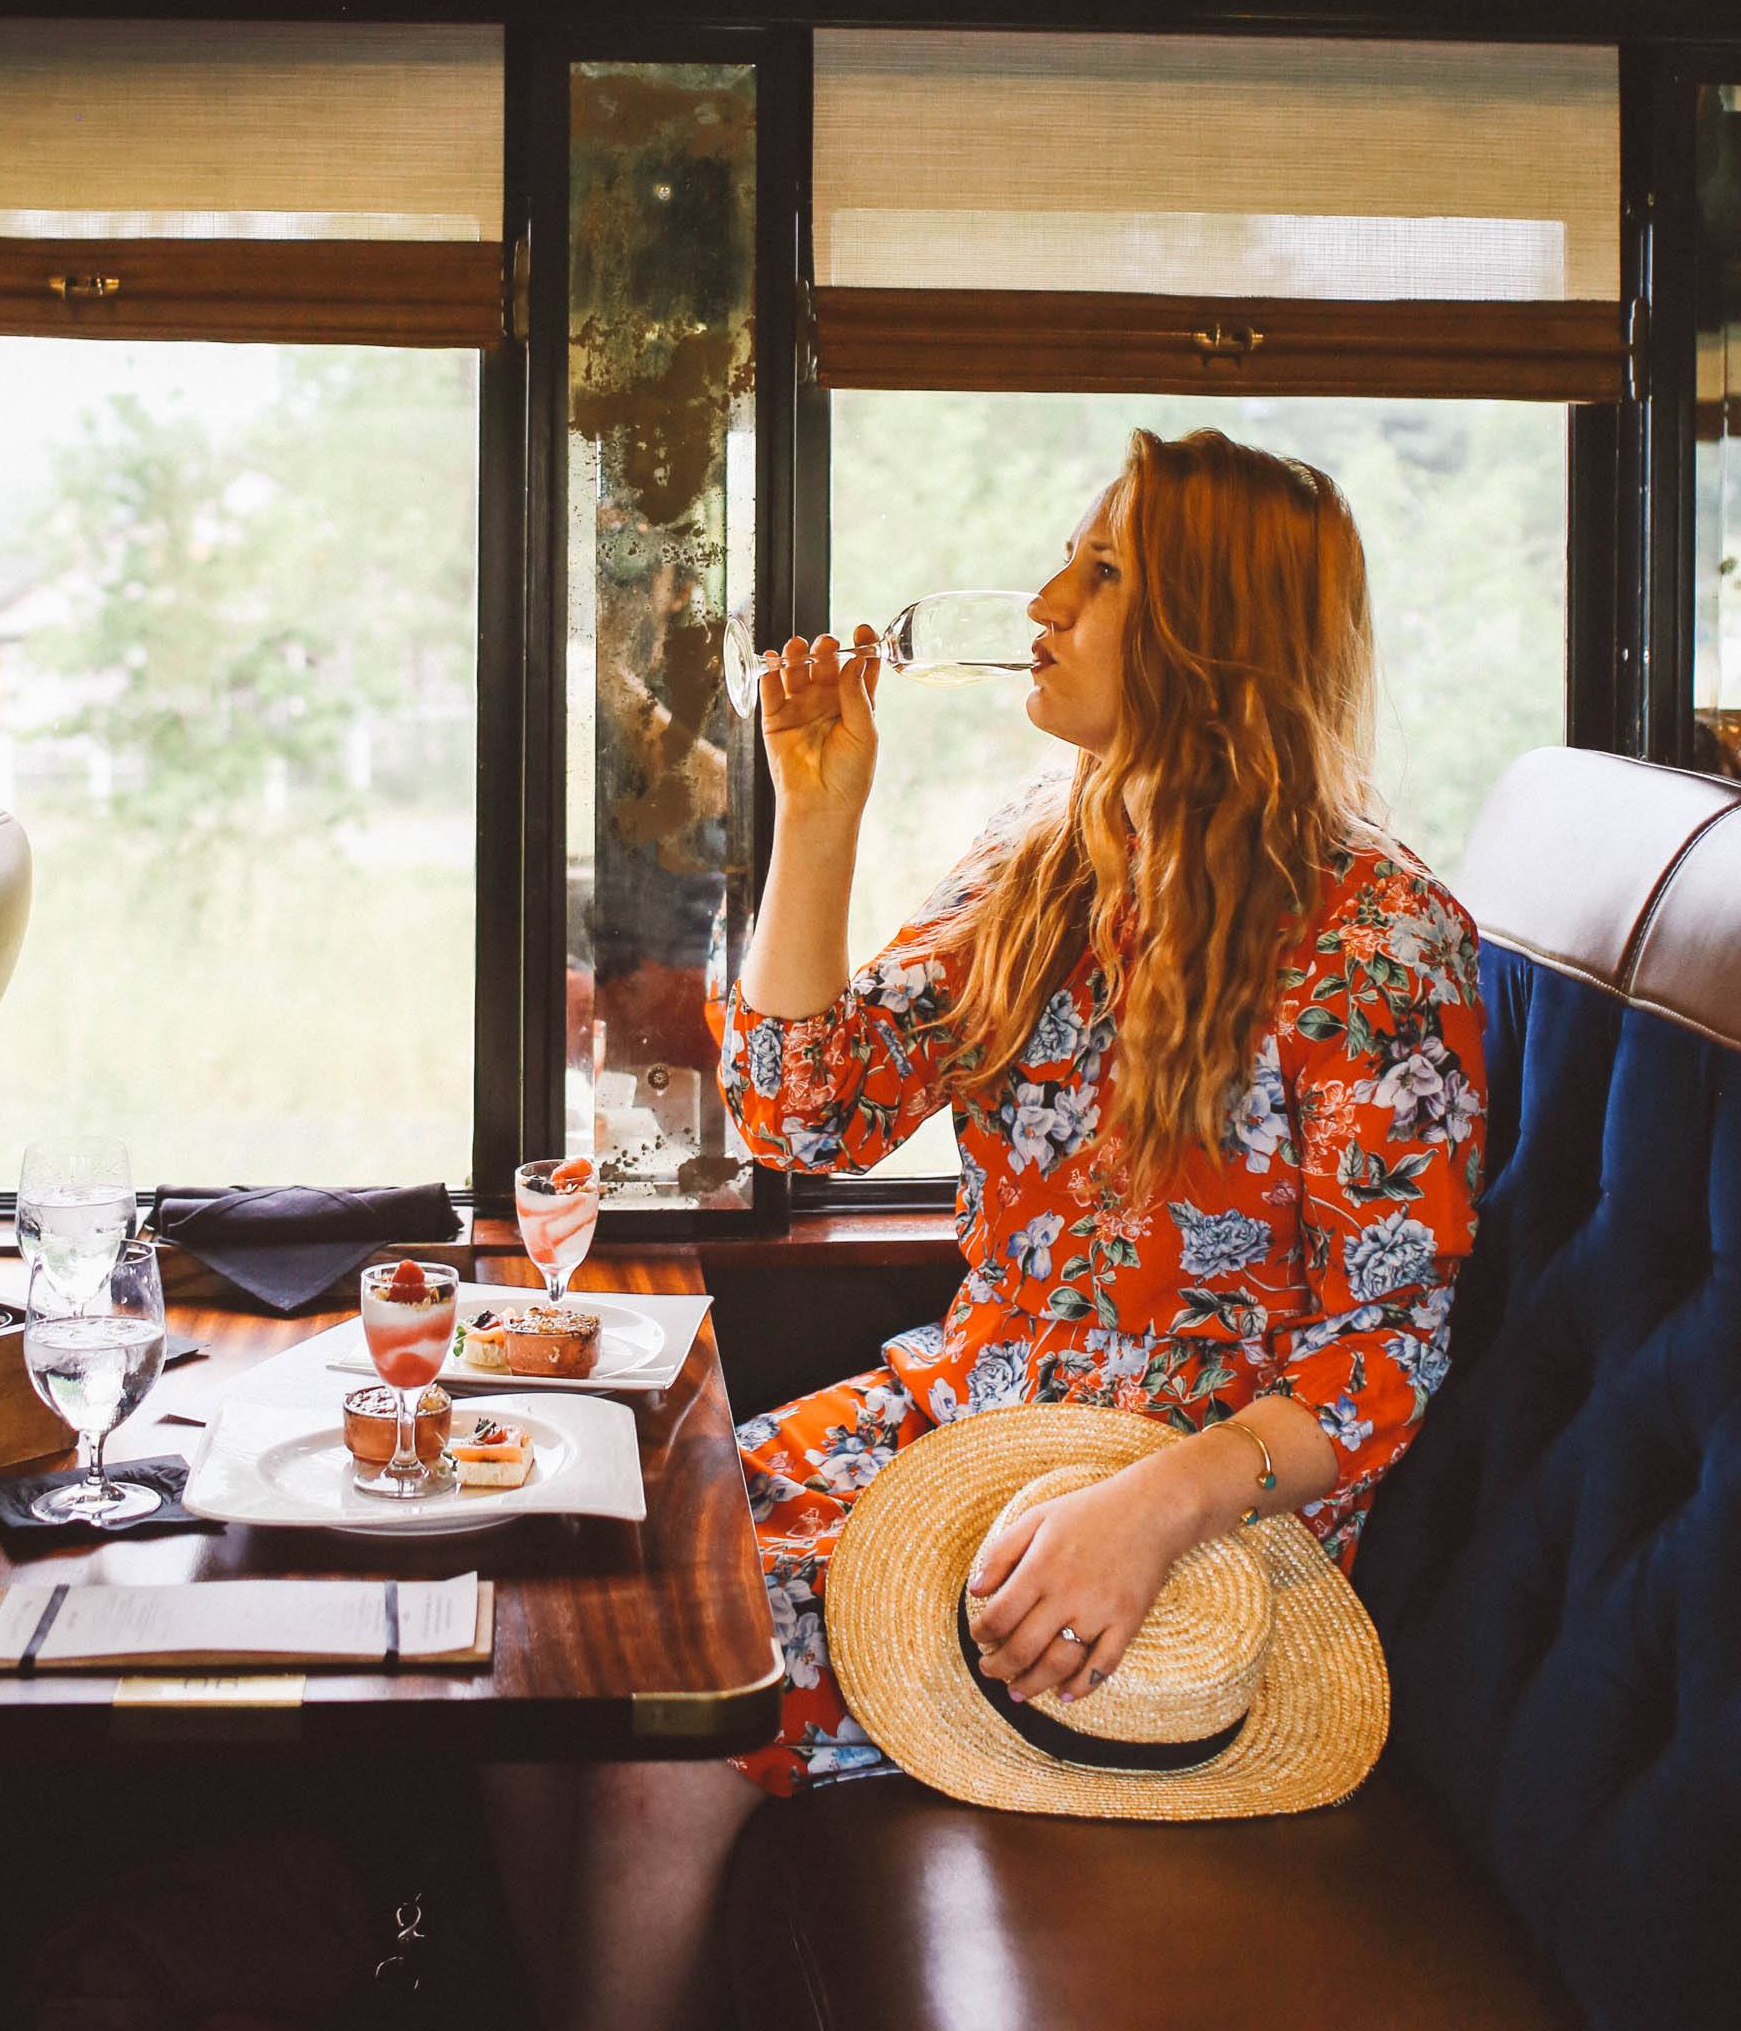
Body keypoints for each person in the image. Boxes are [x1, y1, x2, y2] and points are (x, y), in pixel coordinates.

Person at [490, 428, 1487, 2031]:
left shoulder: (1376, 945)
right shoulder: (1049, 861)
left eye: (1099, 577)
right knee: (556, 1619)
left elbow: (1383, 1362)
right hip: (952, 1425)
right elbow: (804, 1115)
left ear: (1205, 637)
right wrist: (815, 817)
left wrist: (1148, 1509)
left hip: (1178, 1535)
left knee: (661, 1742)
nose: (1042, 601)